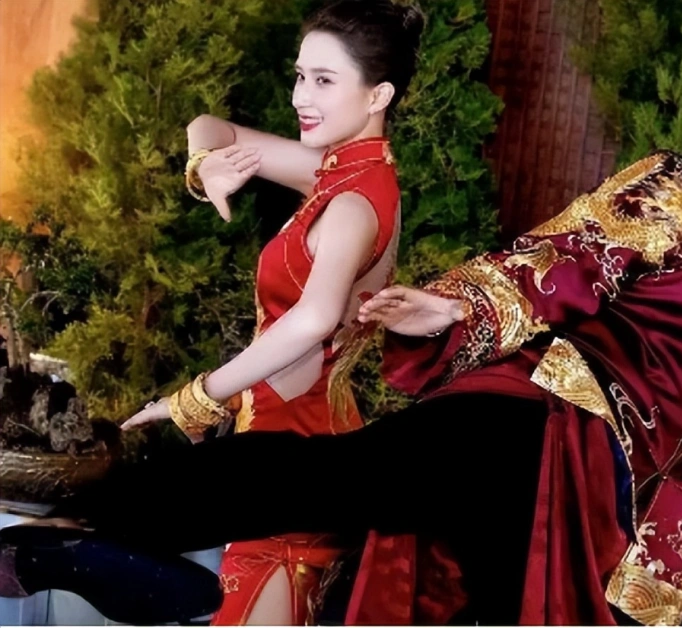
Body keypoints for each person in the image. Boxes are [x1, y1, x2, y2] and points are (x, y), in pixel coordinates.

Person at [2, 44, 682, 626]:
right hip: (541, 428)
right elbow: (571, 254)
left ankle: (76, 545)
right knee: (340, 477)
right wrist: (460, 308)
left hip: (608, 521)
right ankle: (76, 515)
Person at [1, 1, 423, 625]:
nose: (301, 96)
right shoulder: (334, 175)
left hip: (291, 466)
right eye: (300, 75)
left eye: (324, 80)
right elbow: (210, 126)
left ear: (378, 95)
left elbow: (314, 318)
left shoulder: (354, 204)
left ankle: (91, 558)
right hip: (268, 445)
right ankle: (94, 558)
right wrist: (206, 168)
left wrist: (197, 398)